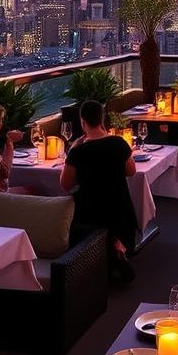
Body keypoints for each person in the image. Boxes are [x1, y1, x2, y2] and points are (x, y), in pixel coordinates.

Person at [60, 100, 138, 282]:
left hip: (90, 210)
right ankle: (116, 245)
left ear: (82, 122)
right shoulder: (119, 143)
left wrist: (72, 150)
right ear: (102, 118)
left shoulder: (78, 151)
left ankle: (108, 248)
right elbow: (131, 171)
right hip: (120, 209)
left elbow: (65, 184)